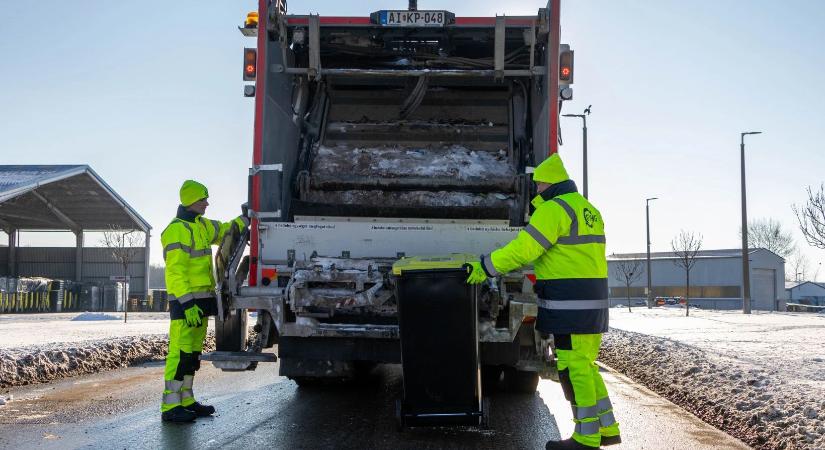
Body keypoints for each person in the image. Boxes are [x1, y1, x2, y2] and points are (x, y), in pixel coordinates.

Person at [467, 154, 620, 449]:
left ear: (549, 183)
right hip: (592, 303)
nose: (536, 191)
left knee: (573, 368)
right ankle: (606, 427)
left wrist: (486, 266)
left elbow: (525, 250)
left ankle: (586, 438)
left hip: (570, 304)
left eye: (539, 186)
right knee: (585, 365)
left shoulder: (554, 210)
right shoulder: (588, 209)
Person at [159, 180, 248, 423]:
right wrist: (187, 304)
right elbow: (174, 273)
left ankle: (186, 400)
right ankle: (170, 407)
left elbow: (227, 231)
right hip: (186, 305)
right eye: (203, 199)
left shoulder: (201, 225)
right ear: (190, 201)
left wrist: (246, 218)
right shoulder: (176, 230)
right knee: (179, 354)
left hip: (200, 304)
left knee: (191, 355)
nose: (207, 203)